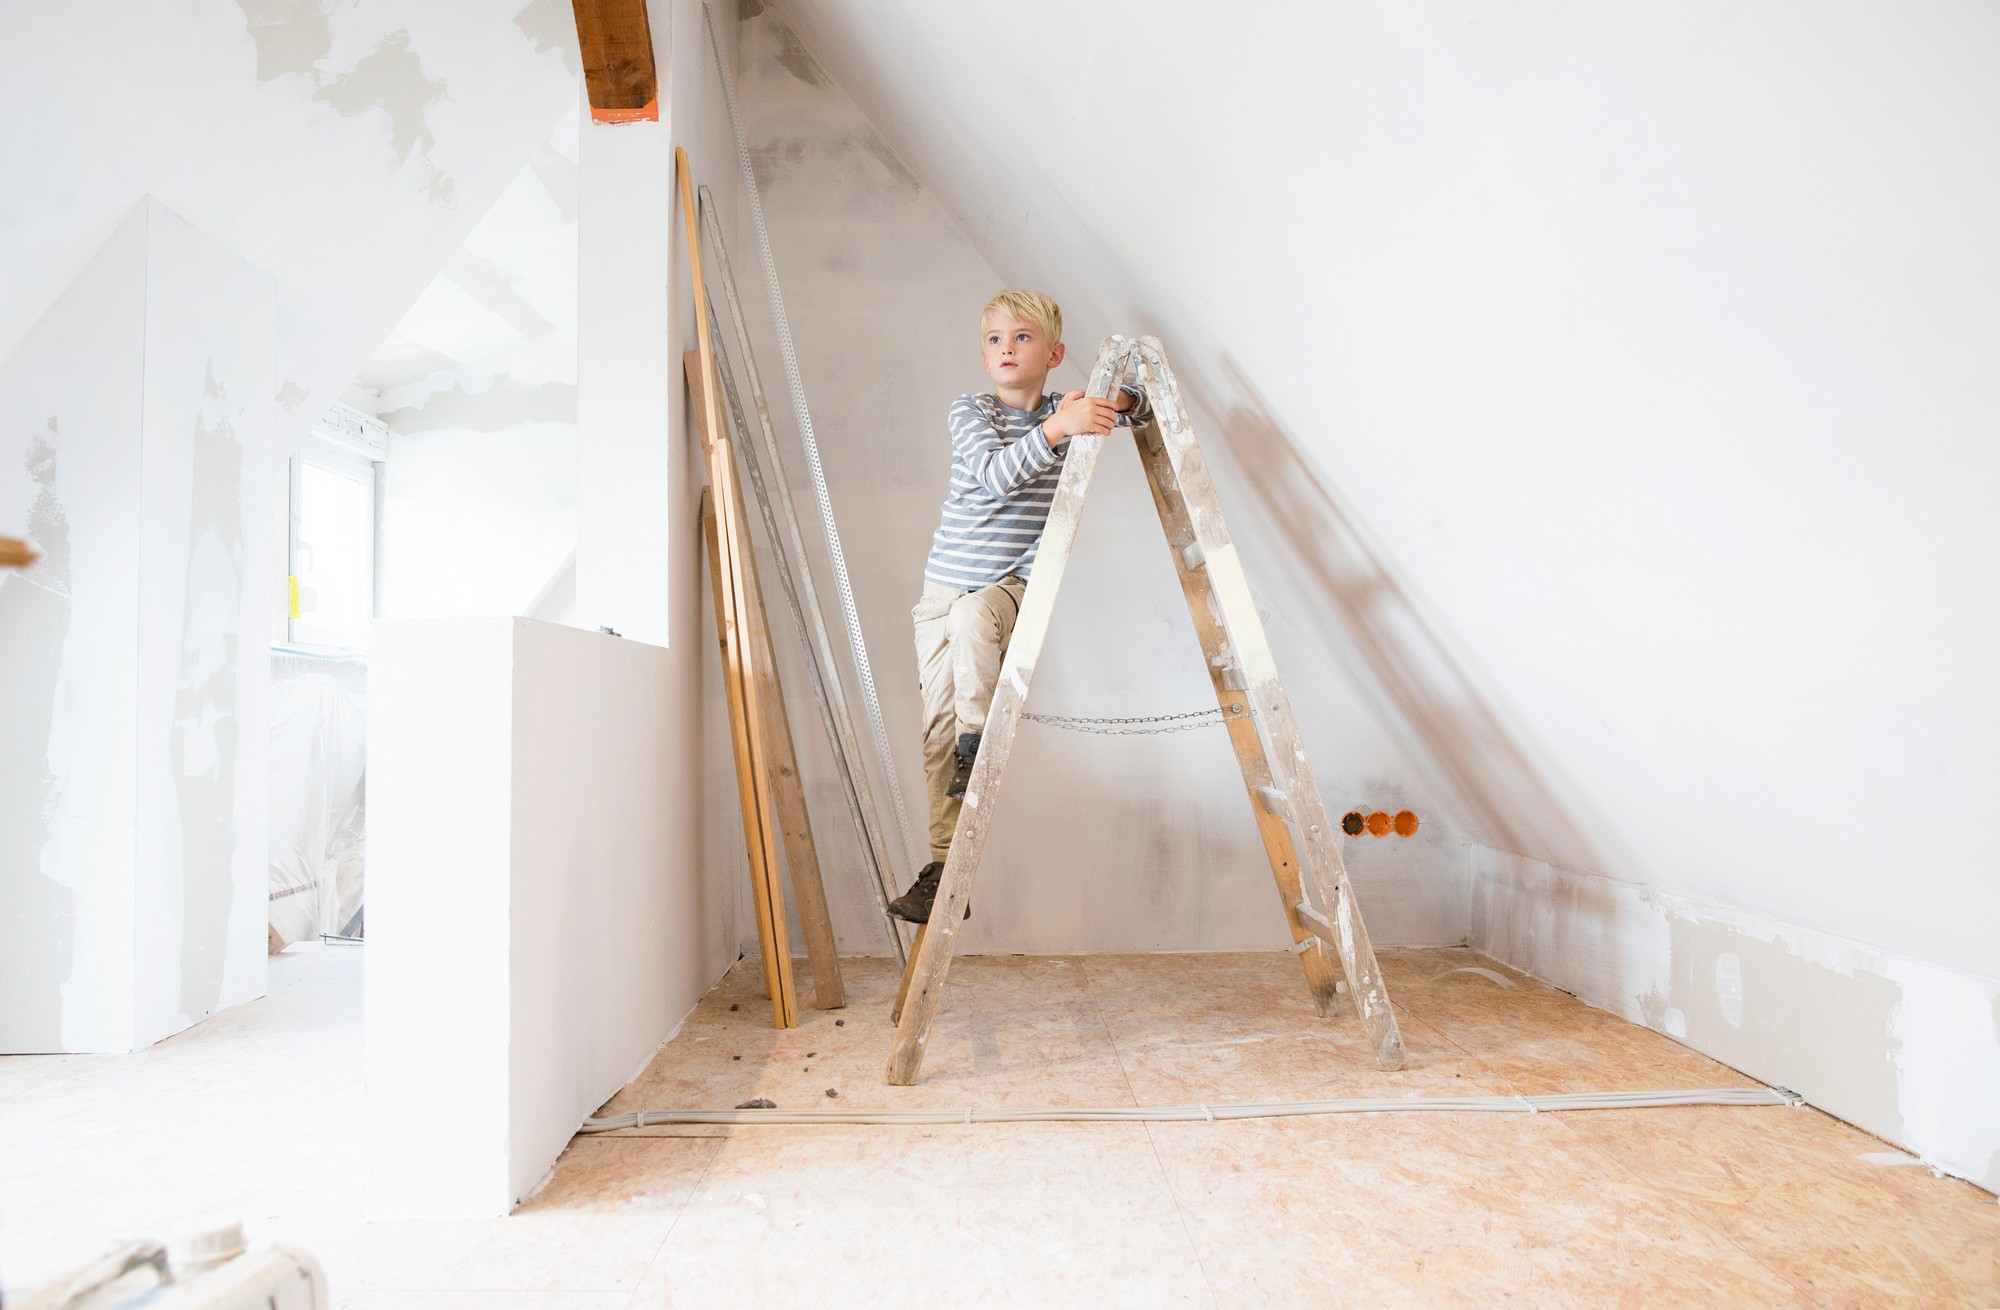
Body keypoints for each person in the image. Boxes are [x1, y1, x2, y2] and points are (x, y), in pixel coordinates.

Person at [887, 291, 1149, 923]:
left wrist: (1115, 403)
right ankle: (945, 866)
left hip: (1005, 586)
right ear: (983, 355)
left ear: (1055, 354)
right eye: (996, 340)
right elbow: (993, 475)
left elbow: (1136, 414)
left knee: (978, 621)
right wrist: (1059, 428)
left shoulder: (1066, 410)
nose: (1007, 348)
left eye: (1023, 338)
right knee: (935, 736)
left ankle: (980, 739)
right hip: (938, 596)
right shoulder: (972, 411)